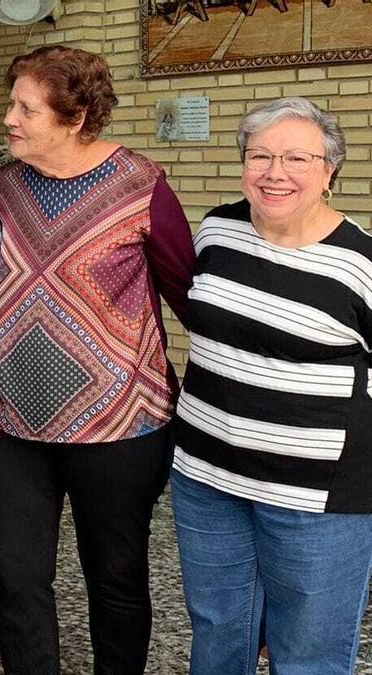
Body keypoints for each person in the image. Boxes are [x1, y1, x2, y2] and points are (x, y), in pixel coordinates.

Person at [0, 45, 194, 674]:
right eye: (11, 102)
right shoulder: (2, 186)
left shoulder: (141, 185)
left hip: (122, 425)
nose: (8, 118)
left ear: (73, 118)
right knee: (18, 581)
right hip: (15, 426)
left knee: (117, 580)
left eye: (25, 107)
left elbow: (186, 290)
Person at [172, 97, 372, 674]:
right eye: (260, 156)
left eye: (296, 158)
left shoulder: (359, 265)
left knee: (307, 652)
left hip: (317, 498)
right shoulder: (218, 229)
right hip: (206, 479)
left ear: (329, 171)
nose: (274, 173)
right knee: (217, 631)